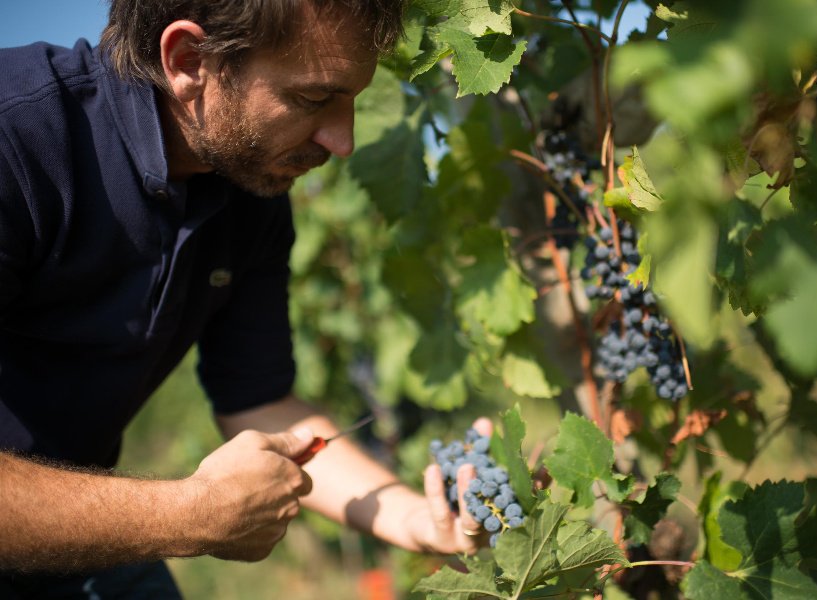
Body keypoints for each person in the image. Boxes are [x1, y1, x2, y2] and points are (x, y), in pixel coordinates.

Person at [0, 0, 487, 596]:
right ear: (188, 61)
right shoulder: (14, 140)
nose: (343, 140)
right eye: (313, 99)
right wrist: (188, 513)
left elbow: (258, 399)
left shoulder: (248, 187)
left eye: (352, 99)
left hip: (74, 540)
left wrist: (416, 520)